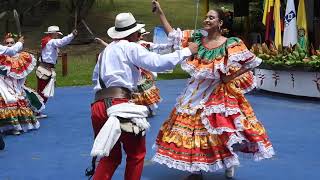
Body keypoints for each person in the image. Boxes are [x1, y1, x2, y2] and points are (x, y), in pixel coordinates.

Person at [151, 1, 275, 179]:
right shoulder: (197, 39)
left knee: (222, 131)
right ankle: (196, 170)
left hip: (219, 94)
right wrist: (160, 13)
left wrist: (231, 76)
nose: (207, 20)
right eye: (206, 17)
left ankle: (229, 161)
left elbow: (251, 62)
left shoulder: (230, 43)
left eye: (211, 17)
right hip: (194, 92)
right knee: (193, 129)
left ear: (220, 23)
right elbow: (173, 35)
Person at [90, 12, 198, 180]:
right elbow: (158, 63)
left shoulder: (105, 52)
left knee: (110, 157)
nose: (139, 35)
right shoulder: (131, 47)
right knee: (136, 154)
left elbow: (95, 78)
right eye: (137, 32)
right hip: (120, 104)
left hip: (98, 106)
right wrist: (186, 51)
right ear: (132, 33)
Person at [0, 33, 40, 136]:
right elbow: (12, 51)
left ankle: (17, 126)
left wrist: (19, 86)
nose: (9, 44)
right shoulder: (2, 57)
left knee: (18, 98)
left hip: (14, 84)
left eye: (11, 42)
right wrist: (20, 42)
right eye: (7, 43)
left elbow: (22, 75)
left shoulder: (21, 57)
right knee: (7, 99)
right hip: (2, 82)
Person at [36, 26, 77, 118]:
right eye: (57, 34)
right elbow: (62, 42)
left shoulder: (47, 41)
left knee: (42, 92)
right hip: (45, 69)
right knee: (43, 92)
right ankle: (36, 110)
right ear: (53, 33)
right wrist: (72, 35)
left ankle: (37, 110)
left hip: (45, 68)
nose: (58, 35)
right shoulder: (51, 42)